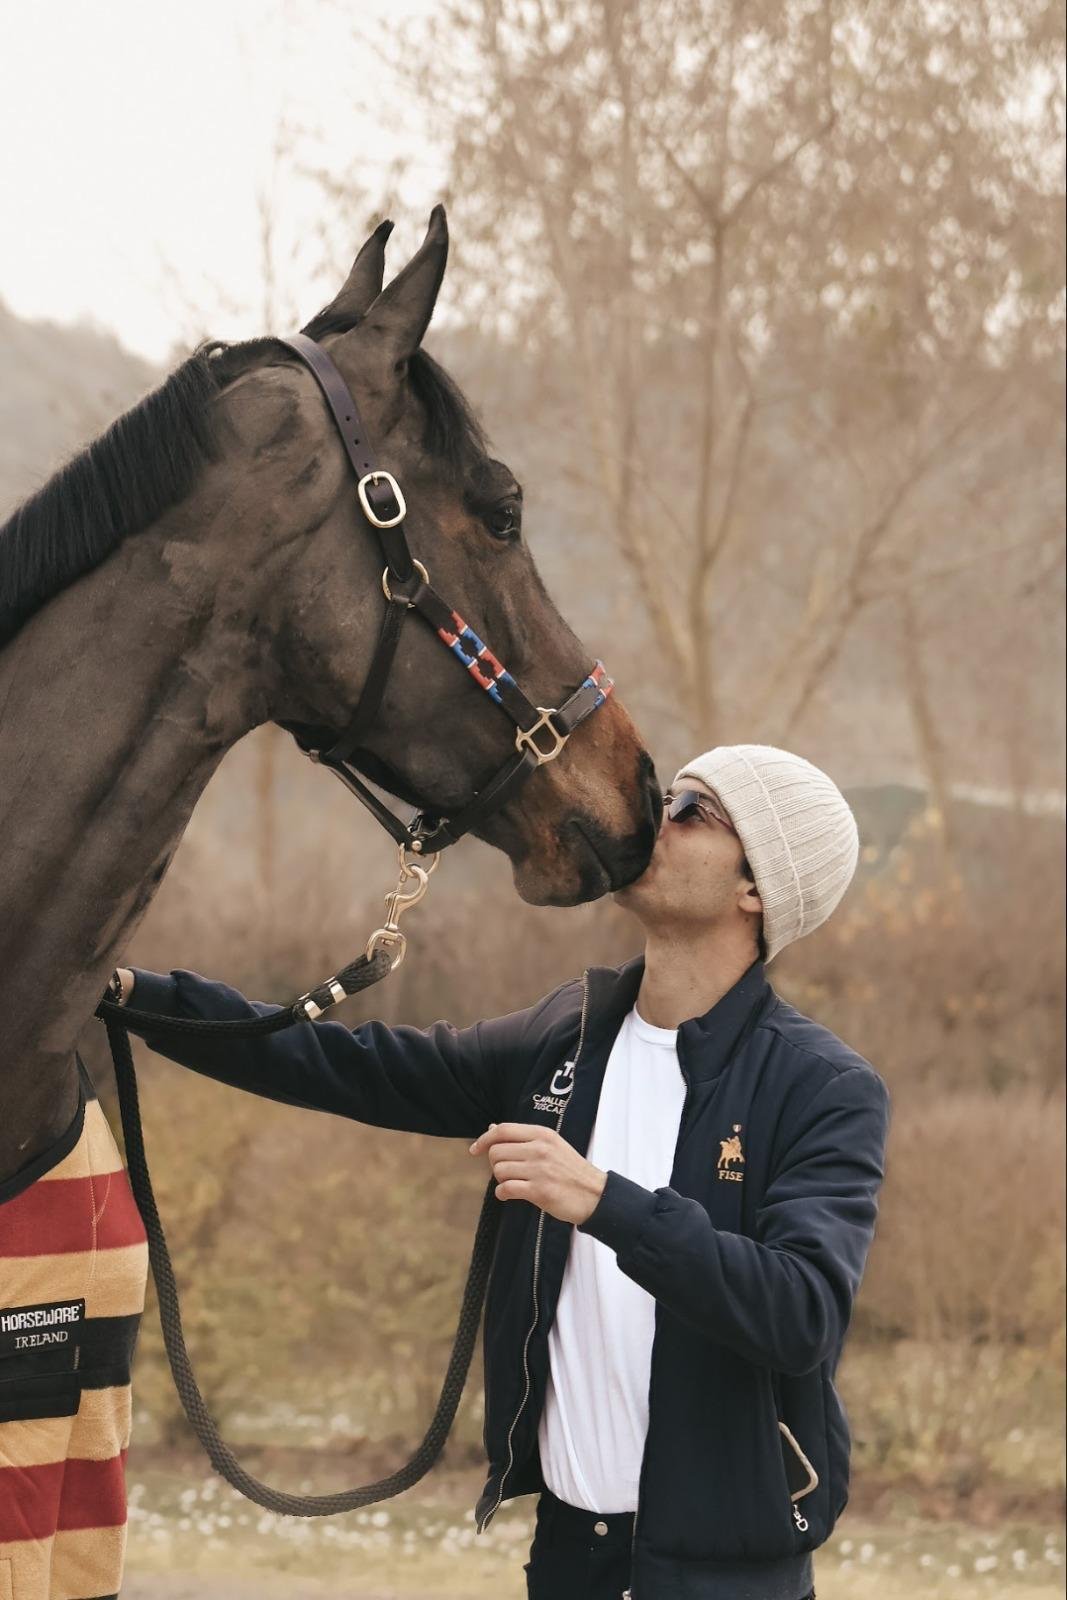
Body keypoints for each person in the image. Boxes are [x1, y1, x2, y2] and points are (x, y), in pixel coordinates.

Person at [115, 743, 890, 1600]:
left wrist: (601, 1201)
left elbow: (801, 1313)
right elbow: (354, 1066)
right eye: (667, 795)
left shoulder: (822, 1086)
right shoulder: (571, 1030)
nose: (653, 818)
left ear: (756, 889)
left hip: (723, 1579)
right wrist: (134, 996)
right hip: (567, 1556)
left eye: (691, 812)